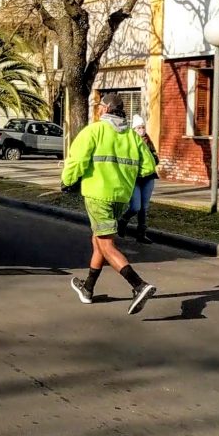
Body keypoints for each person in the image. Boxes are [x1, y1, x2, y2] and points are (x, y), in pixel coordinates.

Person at [61, 93, 159, 315]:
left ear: (104, 110)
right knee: (98, 240)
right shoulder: (133, 137)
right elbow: (148, 167)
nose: (97, 110)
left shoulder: (93, 131)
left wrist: (67, 182)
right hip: (121, 197)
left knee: (106, 245)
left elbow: (76, 160)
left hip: (98, 195)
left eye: (98, 106)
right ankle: (87, 289)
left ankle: (139, 285)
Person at [118, 114, 160, 244]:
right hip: (134, 178)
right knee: (135, 206)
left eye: (143, 127)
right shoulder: (130, 142)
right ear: (133, 129)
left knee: (144, 208)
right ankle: (123, 221)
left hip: (148, 177)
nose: (141, 130)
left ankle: (141, 234)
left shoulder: (148, 141)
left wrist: (151, 158)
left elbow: (155, 159)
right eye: (138, 128)